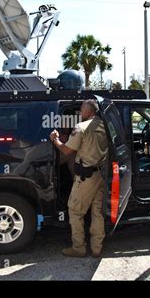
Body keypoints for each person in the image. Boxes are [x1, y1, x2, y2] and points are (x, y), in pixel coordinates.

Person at [49, 99, 108, 258]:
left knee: (75, 211)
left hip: (86, 177)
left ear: (88, 111)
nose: (80, 113)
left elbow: (67, 150)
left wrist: (55, 139)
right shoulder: (105, 125)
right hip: (101, 176)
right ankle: (97, 248)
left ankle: (79, 248)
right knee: (97, 213)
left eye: (81, 110)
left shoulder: (80, 128)